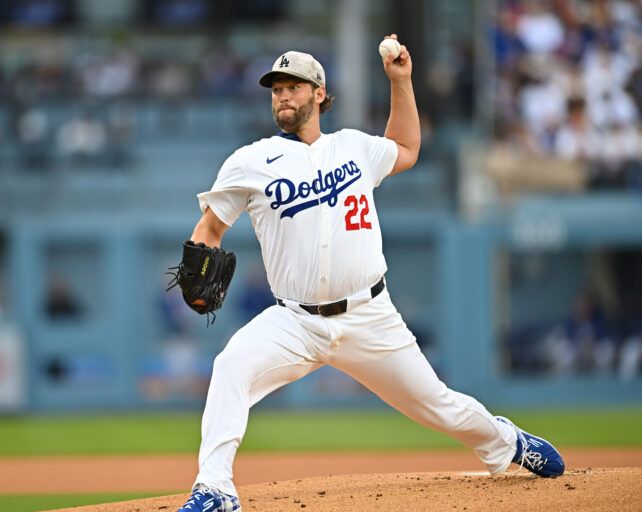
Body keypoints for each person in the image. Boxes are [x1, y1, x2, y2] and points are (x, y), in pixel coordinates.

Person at [175, 35, 565, 512]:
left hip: (369, 315)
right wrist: (201, 255)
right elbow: (210, 225)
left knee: (436, 404)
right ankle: (215, 488)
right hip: (295, 321)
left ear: (319, 93)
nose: (282, 95)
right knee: (230, 366)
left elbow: (405, 146)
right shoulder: (250, 161)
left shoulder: (353, 148)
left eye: (293, 86)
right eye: (276, 88)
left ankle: (506, 442)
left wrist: (400, 82)